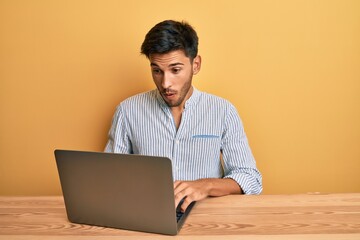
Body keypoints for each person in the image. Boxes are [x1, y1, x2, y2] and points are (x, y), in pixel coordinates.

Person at [105, 20, 262, 212]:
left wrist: (206, 186)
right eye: (157, 71)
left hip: (208, 219)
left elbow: (251, 179)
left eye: (175, 70)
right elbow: (109, 180)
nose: (165, 83)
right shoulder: (127, 111)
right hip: (147, 215)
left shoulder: (223, 111)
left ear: (195, 65)